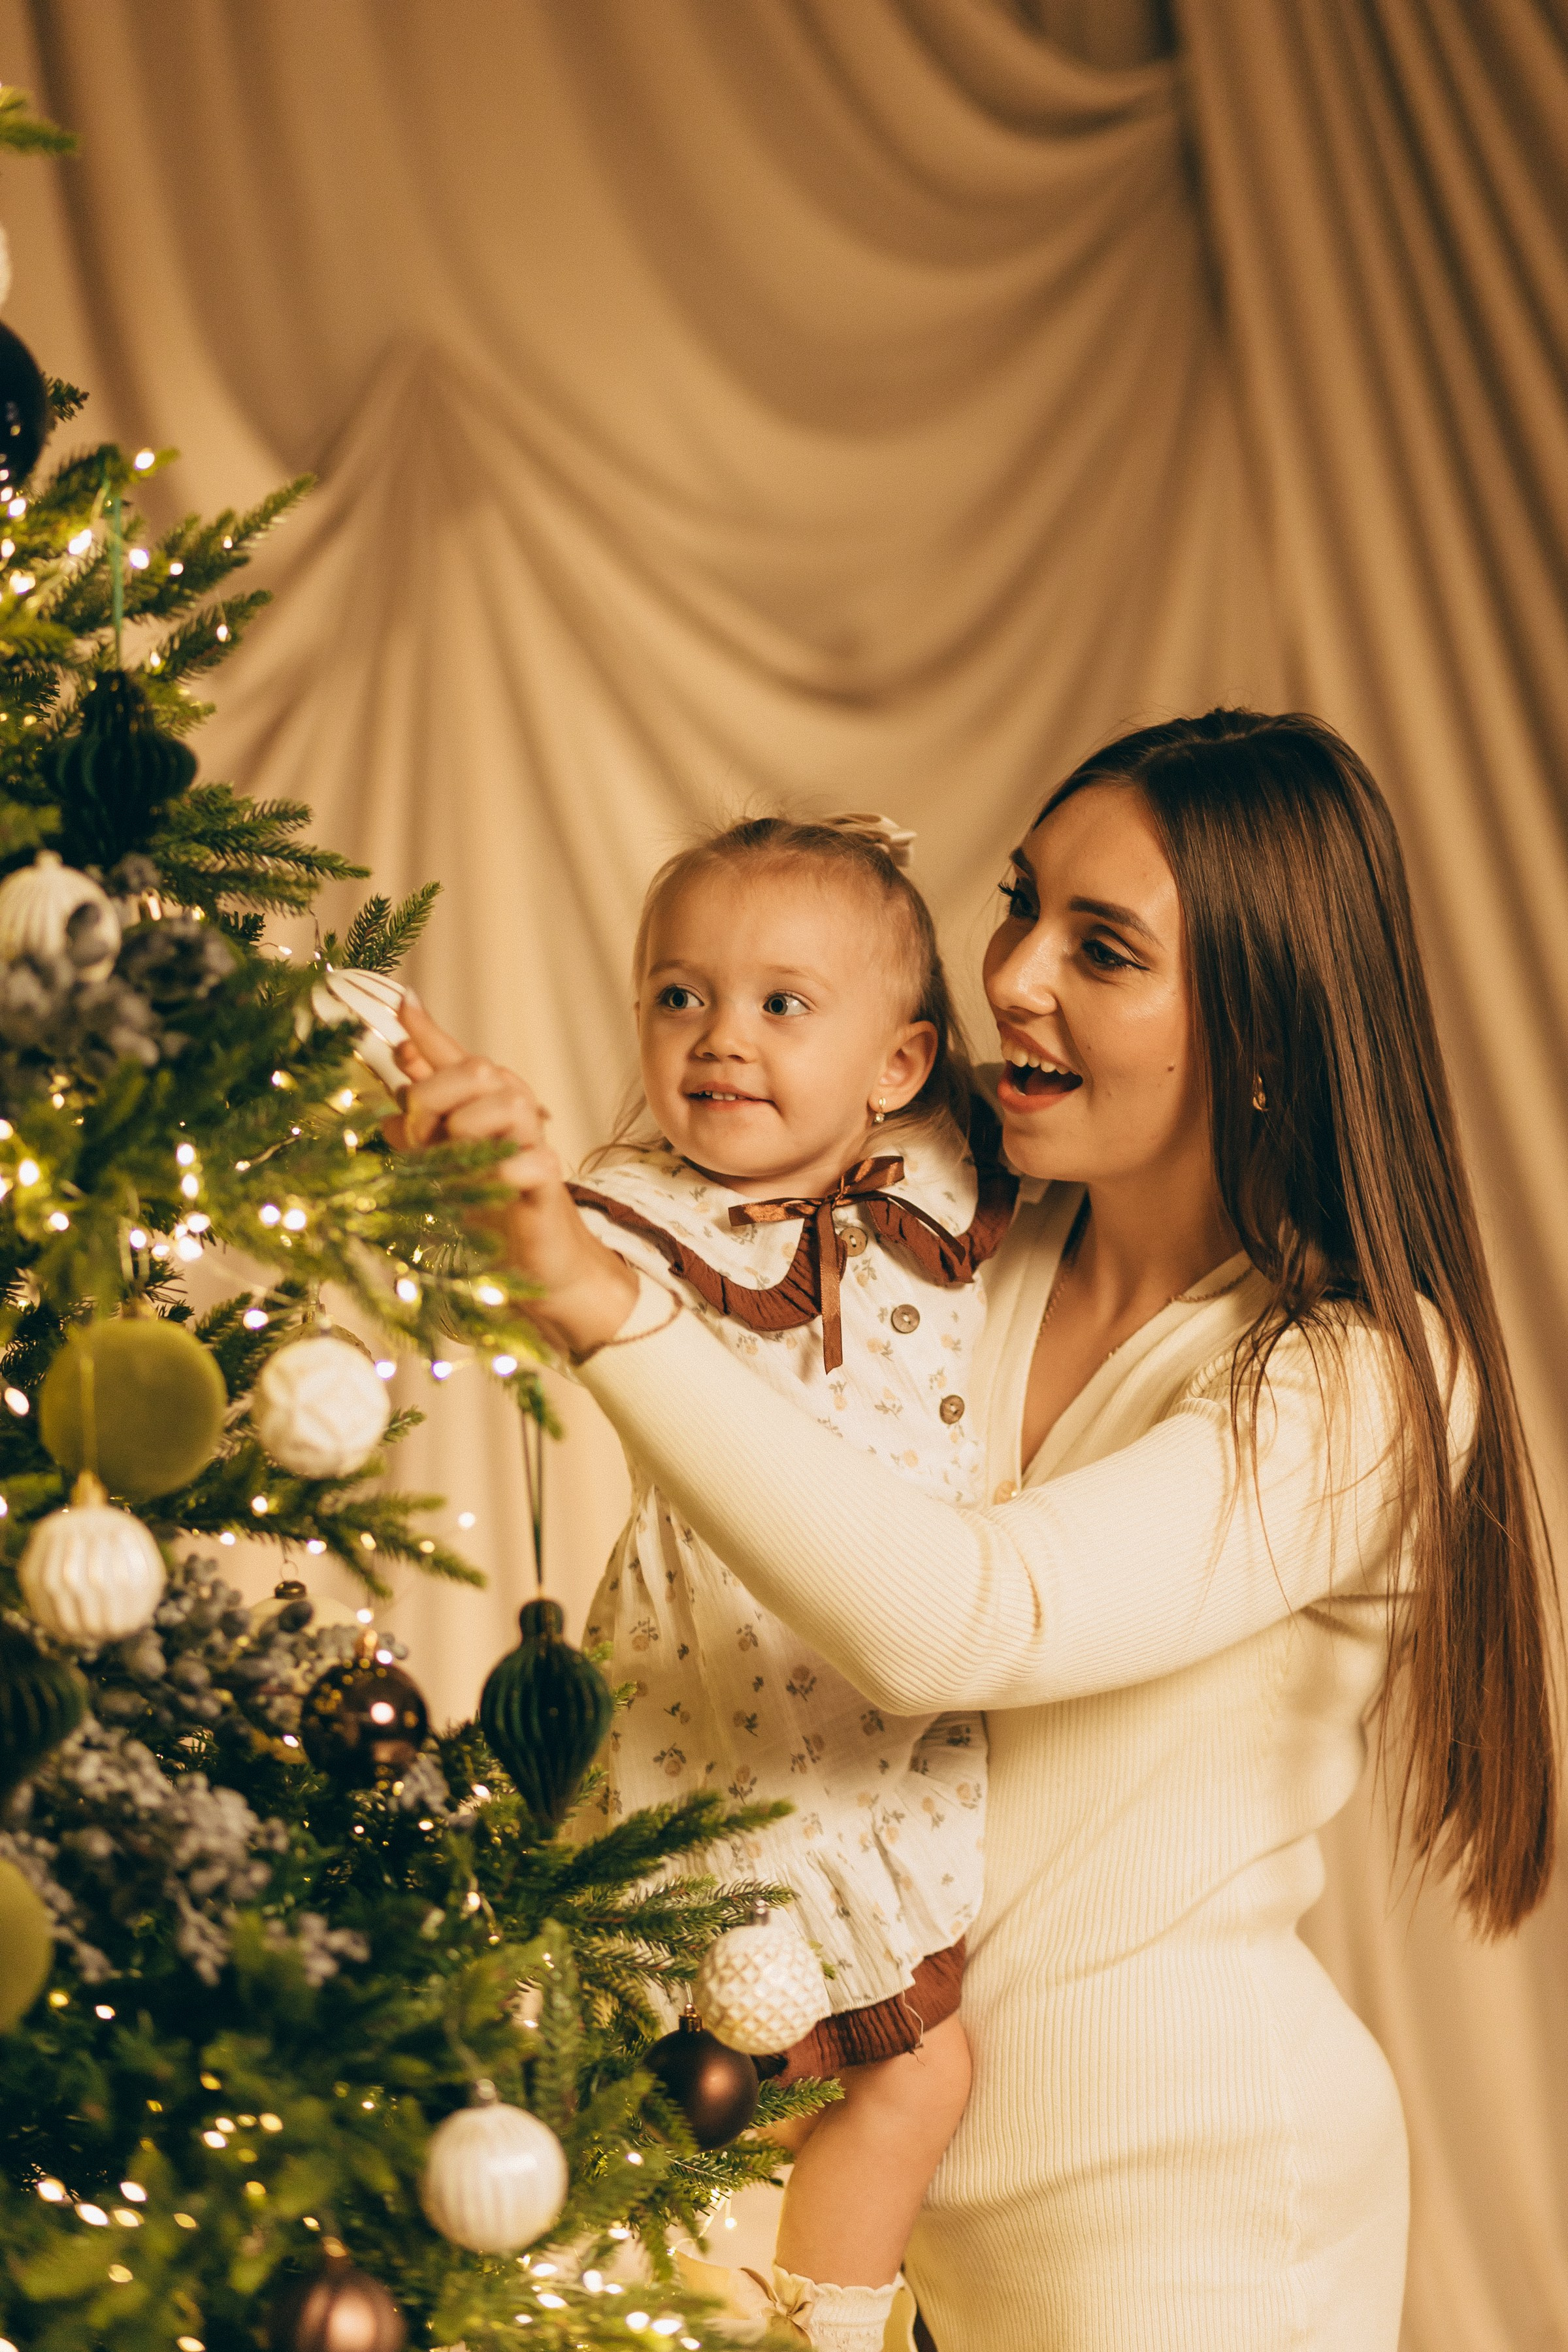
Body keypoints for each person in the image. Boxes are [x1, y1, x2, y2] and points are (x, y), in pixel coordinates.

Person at [389, 710, 1558, 2352]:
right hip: (937, 2257)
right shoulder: (953, 1260)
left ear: (1263, 1025)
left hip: (1205, 2243)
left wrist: (598, 1304)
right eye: (1022, 907)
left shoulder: (1356, 1376)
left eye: (1105, 948)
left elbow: (970, 1619)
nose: (1011, 975)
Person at [563, 809, 1013, 2352]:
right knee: (681, 2078)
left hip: (875, 1727)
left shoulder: (945, 1179)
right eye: (678, 996)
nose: (719, 1040)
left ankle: (823, 2326)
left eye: (781, 1004)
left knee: (917, 2068)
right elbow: (504, 1245)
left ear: (897, 1068)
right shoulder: (630, 1209)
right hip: (703, 1703)